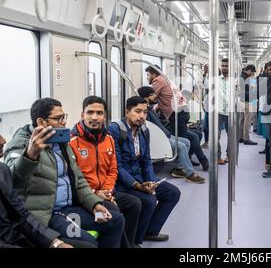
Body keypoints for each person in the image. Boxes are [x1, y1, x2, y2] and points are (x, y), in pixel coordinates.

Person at [3, 98, 125, 248]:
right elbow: (11, 183)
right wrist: (30, 155)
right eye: (58, 118)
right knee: (88, 243)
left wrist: (94, 204)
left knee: (115, 220)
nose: (64, 122)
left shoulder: (61, 142)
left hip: (69, 209)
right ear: (41, 122)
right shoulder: (21, 143)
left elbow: (78, 179)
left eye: (64, 117)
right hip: (47, 214)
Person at [70, 96, 143, 247]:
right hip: (85, 196)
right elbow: (74, 178)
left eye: (99, 113)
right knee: (114, 211)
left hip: (106, 190)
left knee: (134, 203)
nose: (94, 117)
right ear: (82, 114)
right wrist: (96, 194)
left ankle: (128, 243)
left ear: (105, 116)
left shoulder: (108, 139)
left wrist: (107, 191)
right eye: (90, 112)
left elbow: (113, 169)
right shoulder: (72, 142)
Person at [108, 96, 181, 245]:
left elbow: (146, 159)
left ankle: (150, 231)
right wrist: (136, 184)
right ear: (127, 111)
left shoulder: (144, 130)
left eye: (145, 112)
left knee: (173, 193)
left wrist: (151, 180)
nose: (142, 116)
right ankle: (134, 240)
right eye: (137, 111)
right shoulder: (115, 130)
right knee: (149, 200)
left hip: (140, 176)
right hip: (122, 180)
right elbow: (117, 165)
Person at [146, 66, 209, 170]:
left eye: (148, 75)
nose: (147, 77)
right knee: (191, 137)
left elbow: (151, 97)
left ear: (154, 74)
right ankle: (198, 160)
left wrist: (142, 100)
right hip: (182, 111)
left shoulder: (157, 81)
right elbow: (165, 98)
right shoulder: (166, 79)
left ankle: (185, 166)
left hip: (177, 114)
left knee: (184, 139)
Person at [138, 86, 205, 184]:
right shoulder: (145, 112)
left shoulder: (151, 109)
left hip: (165, 135)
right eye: (152, 95)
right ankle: (190, 174)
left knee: (187, 142)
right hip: (159, 138)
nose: (155, 96)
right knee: (181, 146)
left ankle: (179, 169)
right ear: (146, 98)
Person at [239, 64, 258, 145]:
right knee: (247, 120)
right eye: (252, 72)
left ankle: (241, 137)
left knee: (242, 119)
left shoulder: (241, 76)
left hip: (242, 101)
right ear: (249, 70)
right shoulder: (246, 78)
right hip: (247, 101)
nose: (252, 73)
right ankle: (246, 139)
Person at [218, 58, 230, 165]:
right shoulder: (216, 80)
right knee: (216, 135)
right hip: (218, 110)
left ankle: (229, 155)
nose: (224, 68)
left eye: (226, 66)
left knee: (231, 135)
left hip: (230, 111)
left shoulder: (235, 81)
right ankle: (217, 156)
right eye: (223, 65)